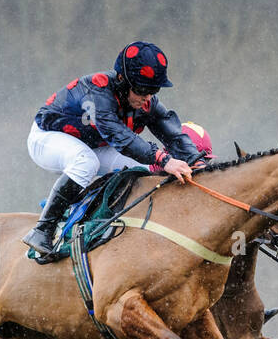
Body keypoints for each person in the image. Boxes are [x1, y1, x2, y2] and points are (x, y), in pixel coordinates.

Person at [23, 40, 204, 254]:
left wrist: (198, 162)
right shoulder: (98, 92)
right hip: (47, 138)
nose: (147, 97)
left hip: (92, 144)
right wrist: (164, 160)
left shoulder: (147, 102)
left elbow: (173, 135)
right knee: (86, 162)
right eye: (142, 89)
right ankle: (43, 229)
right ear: (121, 80)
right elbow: (121, 138)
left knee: (141, 170)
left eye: (153, 90)